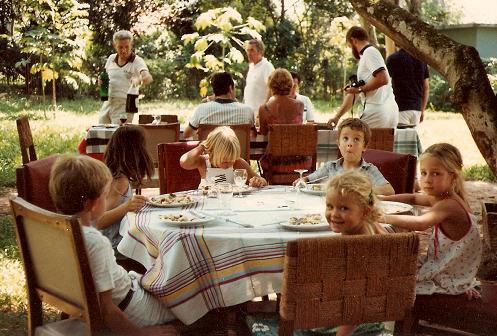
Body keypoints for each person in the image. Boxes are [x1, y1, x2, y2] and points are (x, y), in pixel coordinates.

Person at [49, 155, 177, 335]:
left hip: (128, 290)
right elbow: (106, 310)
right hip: (132, 309)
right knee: (187, 305)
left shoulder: (55, 230)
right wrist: (143, 334)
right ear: (92, 204)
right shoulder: (94, 242)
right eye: (105, 194)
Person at [380, 143, 482, 297]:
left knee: (393, 281)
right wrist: (382, 199)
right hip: (446, 265)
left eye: (435, 174)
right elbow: (413, 197)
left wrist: (380, 216)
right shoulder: (442, 197)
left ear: (453, 176)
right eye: (423, 173)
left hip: (449, 276)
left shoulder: (449, 205)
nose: (427, 179)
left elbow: (420, 223)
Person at [324, 170, 387, 335]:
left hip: (355, 324)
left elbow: (357, 300)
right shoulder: (371, 225)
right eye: (330, 206)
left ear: (365, 211)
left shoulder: (358, 246)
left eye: (344, 208)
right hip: (372, 315)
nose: (334, 214)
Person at [96, 125, 153, 262]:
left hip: (113, 242)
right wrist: (127, 206)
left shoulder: (113, 174)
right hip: (116, 247)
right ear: (135, 151)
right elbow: (99, 221)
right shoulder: (119, 181)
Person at [296, 118, 395, 196]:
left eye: (356, 139)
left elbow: (389, 190)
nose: (350, 144)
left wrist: (361, 190)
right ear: (338, 143)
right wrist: (302, 180)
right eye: (345, 139)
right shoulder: (330, 167)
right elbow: (308, 180)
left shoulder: (369, 170)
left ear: (364, 146)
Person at [327, 26, 398, 129]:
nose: (352, 50)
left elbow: (383, 79)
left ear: (353, 40)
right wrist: (337, 117)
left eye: (350, 46)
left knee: (356, 141)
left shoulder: (369, 52)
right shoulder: (367, 56)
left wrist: (360, 89)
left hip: (376, 111)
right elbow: (353, 95)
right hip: (389, 112)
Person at [180, 126, 267, 187]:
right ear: (211, 153)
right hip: (208, 204)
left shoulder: (238, 163)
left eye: (231, 160)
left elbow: (263, 181)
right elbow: (184, 162)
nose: (228, 164)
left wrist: (259, 181)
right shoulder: (203, 163)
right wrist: (202, 146)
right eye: (224, 161)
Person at [98, 30, 153, 125]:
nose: (124, 50)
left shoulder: (137, 61)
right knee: (102, 131)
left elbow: (148, 78)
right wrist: (101, 81)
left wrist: (138, 79)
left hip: (126, 104)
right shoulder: (111, 58)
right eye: (120, 47)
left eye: (127, 47)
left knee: (118, 134)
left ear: (131, 45)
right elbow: (105, 77)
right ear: (115, 46)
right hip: (108, 101)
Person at [183, 72, 254, 139]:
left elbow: (186, 134)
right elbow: (253, 135)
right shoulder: (247, 110)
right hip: (239, 152)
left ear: (214, 90)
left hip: (209, 152)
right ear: (230, 88)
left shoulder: (201, 109)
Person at [386, 48, 430, 126]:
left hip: (400, 108)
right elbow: (426, 87)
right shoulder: (422, 60)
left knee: (401, 137)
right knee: (412, 137)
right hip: (417, 108)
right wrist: (422, 110)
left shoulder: (393, 59)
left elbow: (386, 84)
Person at [258, 68, 304, 136]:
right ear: (290, 84)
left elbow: (263, 133)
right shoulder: (300, 105)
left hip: (274, 146)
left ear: (271, 85)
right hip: (295, 146)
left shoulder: (264, 109)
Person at [244, 39, 275, 123]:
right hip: (249, 114)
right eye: (248, 50)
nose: (249, 53)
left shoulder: (267, 66)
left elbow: (272, 90)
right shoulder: (251, 67)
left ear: (260, 52)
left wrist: (263, 110)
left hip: (261, 115)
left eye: (252, 50)